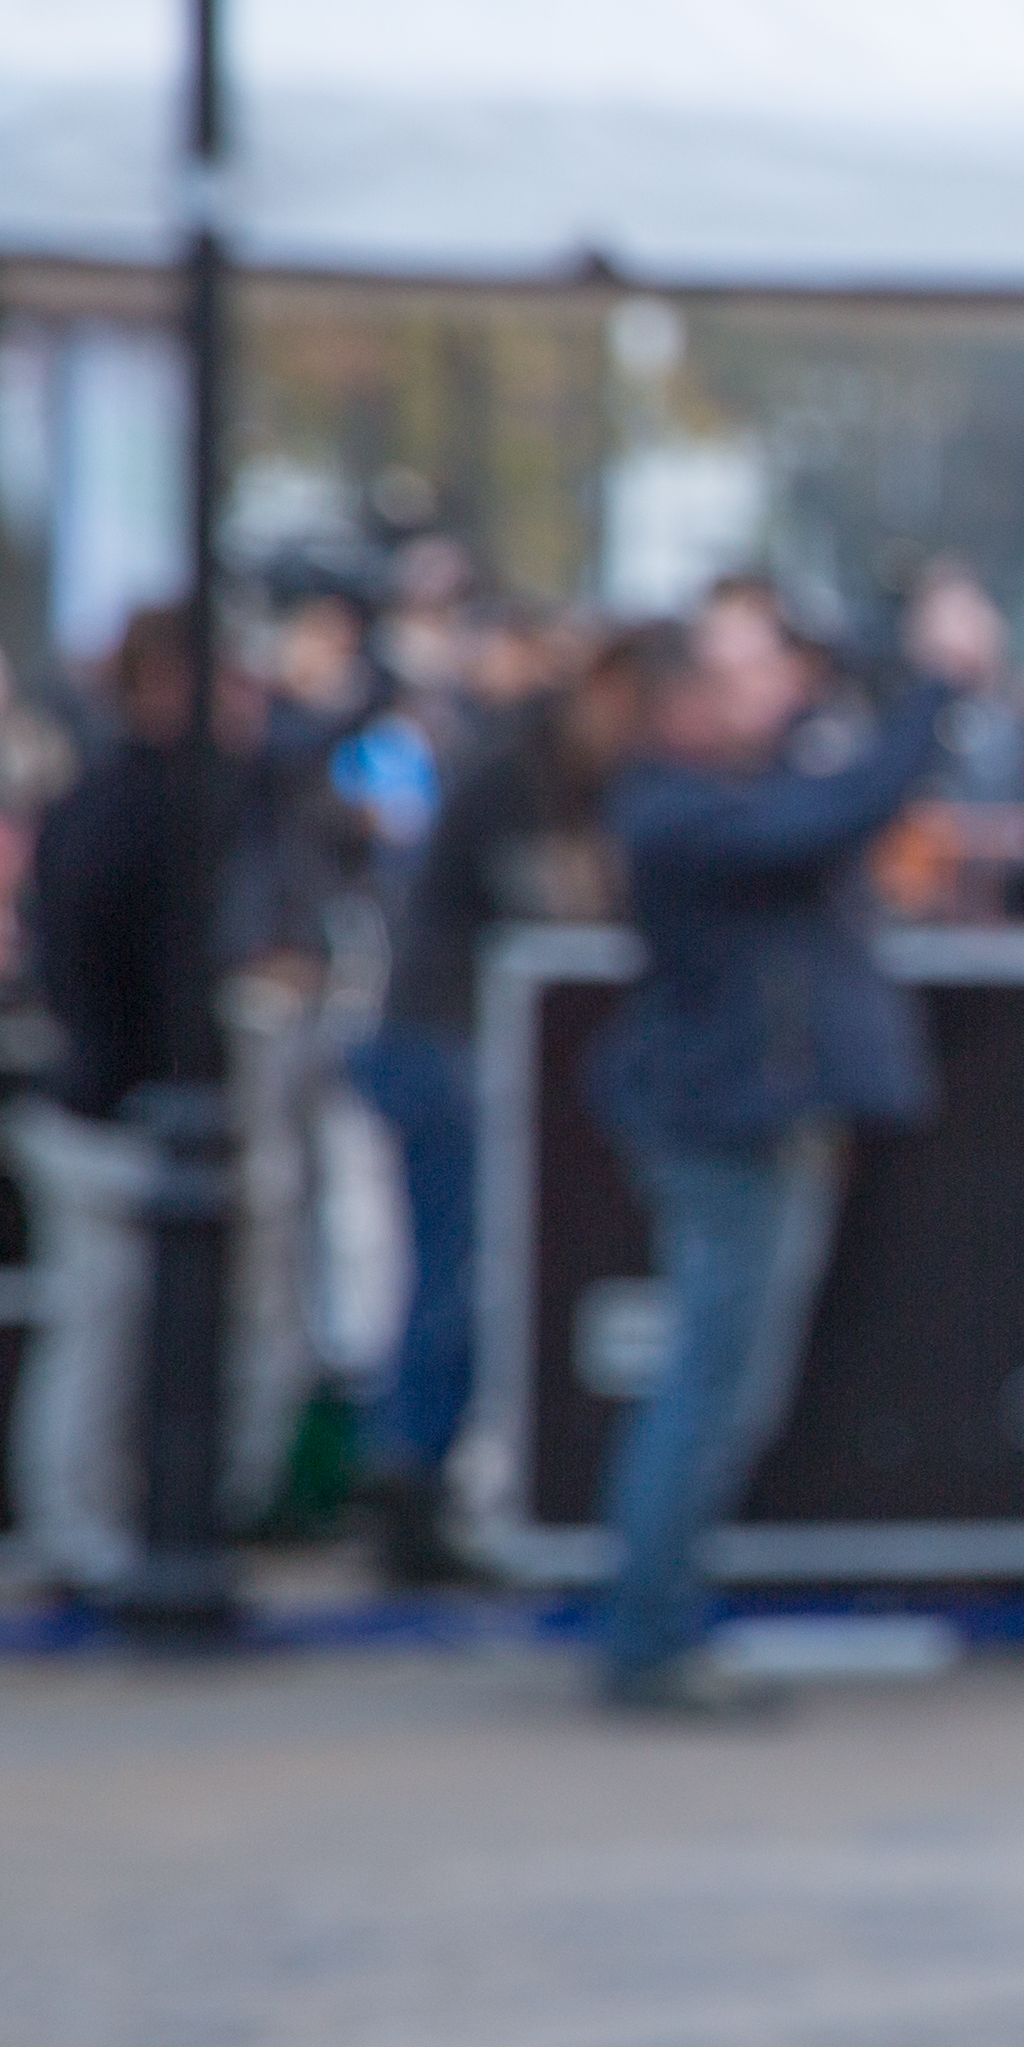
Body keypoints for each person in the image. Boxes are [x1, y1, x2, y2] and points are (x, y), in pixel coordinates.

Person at [586, 573, 998, 1714]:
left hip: (747, 1116)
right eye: (741, 674)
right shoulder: (680, 807)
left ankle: (655, 1623)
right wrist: (938, 686)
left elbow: (835, 779)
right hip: (730, 1125)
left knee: (723, 1382)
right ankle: (652, 1635)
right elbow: (840, 810)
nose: (774, 690)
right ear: (683, 702)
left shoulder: (715, 788)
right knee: (712, 1386)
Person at [356, 627, 651, 1582]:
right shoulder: (514, 781)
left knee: (468, 1277)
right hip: (443, 1048)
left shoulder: (566, 779)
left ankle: (420, 1482)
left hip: (461, 1050)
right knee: (459, 1279)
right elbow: (562, 919)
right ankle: (408, 1484)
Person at [9, 606, 295, 1591]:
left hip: (121, 1102)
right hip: (119, 1112)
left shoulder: (139, 797)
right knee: (102, 1335)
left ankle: (114, 1521)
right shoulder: (138, 805)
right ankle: (82, 1530)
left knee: (139, 1338)